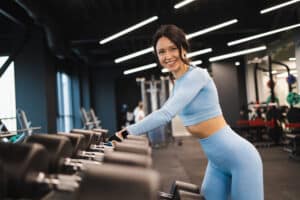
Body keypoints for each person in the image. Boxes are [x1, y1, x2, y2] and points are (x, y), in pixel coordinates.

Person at [111, 24, 263, 200]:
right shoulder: (178, 83)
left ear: (183, 49)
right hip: (216, 162)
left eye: (172, 49)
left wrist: (122, 134)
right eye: (161, 52)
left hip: (241, 158)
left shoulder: (197, 75)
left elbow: (165, 114)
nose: (167, 56)